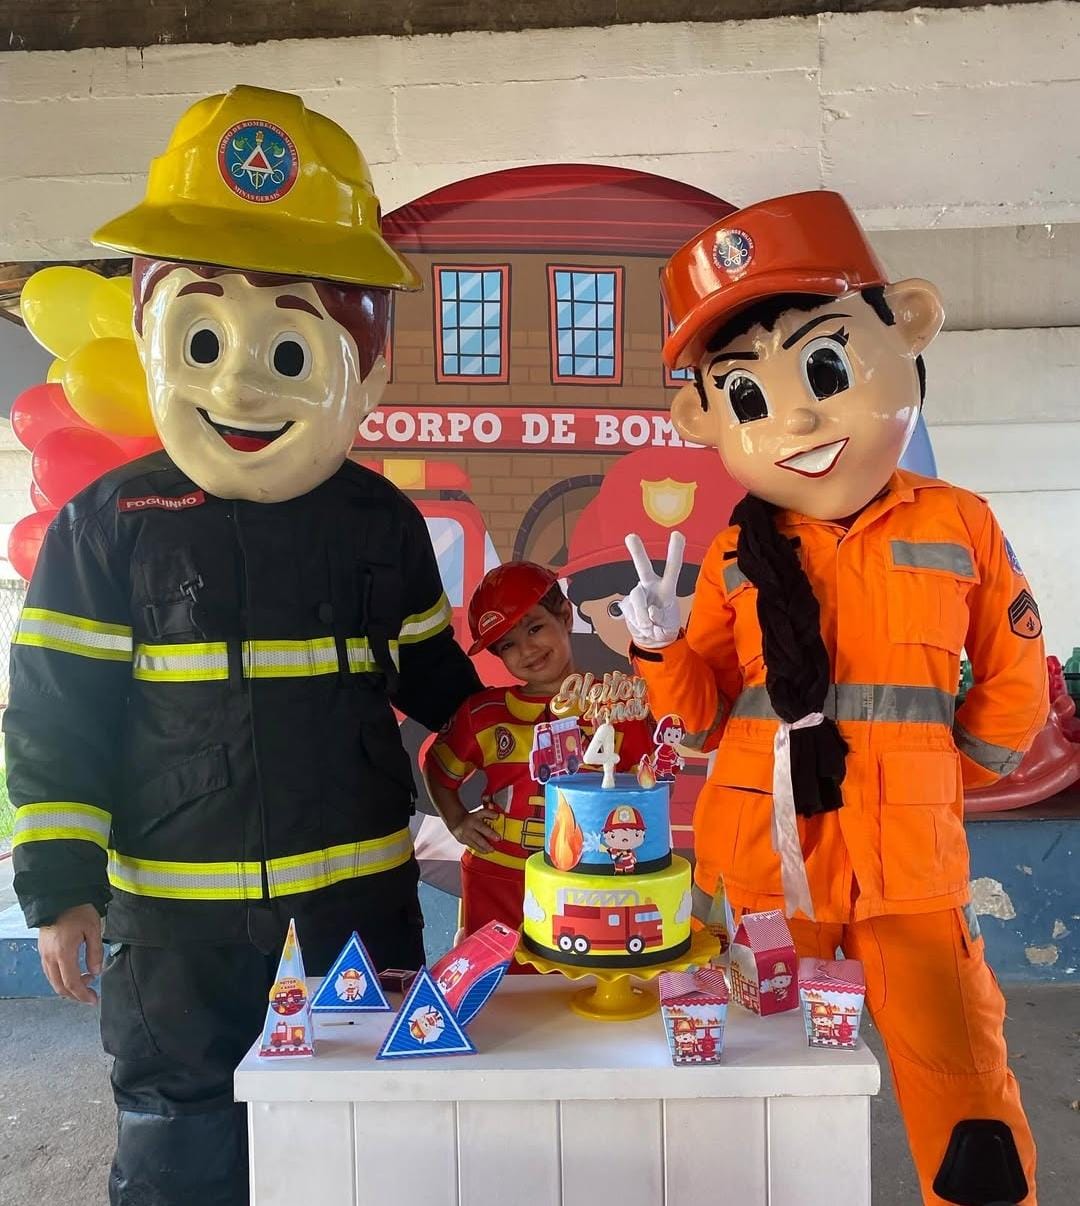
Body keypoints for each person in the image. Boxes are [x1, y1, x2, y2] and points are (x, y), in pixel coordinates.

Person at [5, 86, 481, 1206]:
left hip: (359, 894)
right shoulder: (107, 525)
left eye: (283, 346)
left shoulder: (381, 522)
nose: (235, 383)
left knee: (378, 1122)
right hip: (171, 911)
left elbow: (439, 684)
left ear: (361, 366)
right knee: (180, 1127)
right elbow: (54, 710)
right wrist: (58, 887)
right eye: (205, 338)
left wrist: (504, 771)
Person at [621, 191, 1045, 1206]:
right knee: (762, 1089)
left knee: (961, 1087)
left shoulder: (959, 520)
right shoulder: (734, 554)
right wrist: (653, 642)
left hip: (910, 871)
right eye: (750, 398)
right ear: (703, 421)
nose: (799, 417)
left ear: (904, 329)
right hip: (766, 868)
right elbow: (703, 714)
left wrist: (953, 774)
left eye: (822, 368)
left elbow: (1015, 675)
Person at [423, 562, 653, 940]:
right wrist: (457, 821)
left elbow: (643, 792)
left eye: (534, 628)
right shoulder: (482, 714)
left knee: (582, 982)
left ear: (564, 616)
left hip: (590, 875)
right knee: (503, 983)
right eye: (508, 644)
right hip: (497, 875)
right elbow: (438, 769)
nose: (526, 650)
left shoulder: (616, 704)